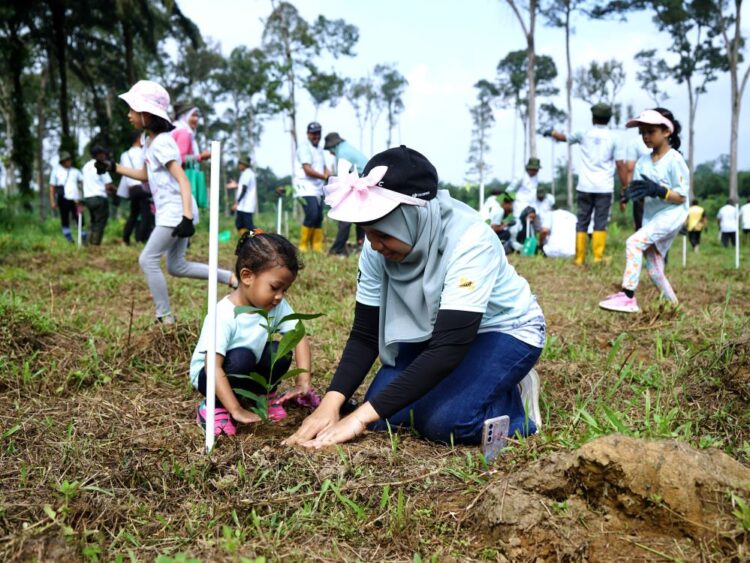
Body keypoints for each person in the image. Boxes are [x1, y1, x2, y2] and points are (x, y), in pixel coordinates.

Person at [285, 145, 545, 448]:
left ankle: (514, 404)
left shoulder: (469, 240)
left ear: (412, 216)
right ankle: (468, 382)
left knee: (445, 423)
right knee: (385, 419)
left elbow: (448, 349)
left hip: (503, 330)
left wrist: (357, 418)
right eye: (367, 232)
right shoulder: (374, 249)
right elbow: (365, 335)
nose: (375, 245)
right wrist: (330, 404)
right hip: (435, 331)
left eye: (383, 233)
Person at [96, 80, 235, 324]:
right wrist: (113, 167)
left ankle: (164, 317)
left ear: (147, 115)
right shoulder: (149, 141)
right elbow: (143, 175)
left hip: (176, 210)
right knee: (176, 266)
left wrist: (187, 217)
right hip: (172, 211)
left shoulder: (163, 142)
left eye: (133, 110)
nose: (129, 115)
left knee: (147, 259)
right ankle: (230, 278)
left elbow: (182, 179)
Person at [191, 230, 318, 436]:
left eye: (284, 290)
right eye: (275, 287)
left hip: (247, 368)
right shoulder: (223, 315)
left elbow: (298, 336)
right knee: (243, 356)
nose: (279, 297)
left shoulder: (275, 305)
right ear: (247, 276)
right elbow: (213, 367)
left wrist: (303, 382)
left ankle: (263, 395)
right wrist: (236, 410)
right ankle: (213, 407)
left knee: (280, 350)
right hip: (211, 375)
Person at [599, 108, 689, 314]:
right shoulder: (643, 162)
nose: (646, 136)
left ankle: (628, 296)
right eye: (643, 132)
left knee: (633, 242)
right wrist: (631, 195)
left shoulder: (674, 160)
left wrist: (658, 190)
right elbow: (639, 190)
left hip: (671, 214)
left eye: (651, 131)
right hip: (652, 218)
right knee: (655, 269)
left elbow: (681, 196)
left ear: (666, 132)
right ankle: (676, 309)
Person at [548, 103, 620, 265]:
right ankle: (597, 258)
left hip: (585, 186)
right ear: (608, 119)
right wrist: (625, 187)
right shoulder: (614, 138)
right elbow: (620, 164)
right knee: (600, 221)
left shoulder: (584, 133)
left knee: (582, 220)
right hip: (604, 187)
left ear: (593, 118)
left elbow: (563, 137)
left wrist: (551, 132)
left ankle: (579, 258)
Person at [324, 132, 369, 256]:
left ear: (333, 146)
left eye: (329, 150)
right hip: (364, 181)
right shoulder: (347, 147)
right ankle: (361, 245)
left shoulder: (342, 154)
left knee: (345, 216)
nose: (330, 153)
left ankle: (337, 249)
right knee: (361, 217)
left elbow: (342, 178)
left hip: (359, 180)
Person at [293, 122, 330, 252]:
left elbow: (324, 167)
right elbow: (307, 169)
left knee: (319, 217)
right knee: (312, 215)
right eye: (314, 133)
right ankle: (303, 246)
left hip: (317, 188)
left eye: (318, 133)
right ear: (308, 134)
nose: (316, 136)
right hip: (304, 187)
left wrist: (328, 173)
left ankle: (316, 246)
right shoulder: (304, 147)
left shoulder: (319, 149)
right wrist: (324, 177)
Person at [118, 132, 153, 245]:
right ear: (138, 139)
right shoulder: (143, 152)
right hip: (142, 187)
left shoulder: (124, 155)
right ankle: (141, 238)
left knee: (133, 214)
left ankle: (126, 238)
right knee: (146, 214)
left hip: (131, 188)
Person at [617, 131, 651, 230]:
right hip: (661, 188)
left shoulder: (634, 143)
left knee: (640, 225)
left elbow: (629, 169)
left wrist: (625, 194)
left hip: (640, 189)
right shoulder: (663, 142)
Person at [81, 146, 115, 246]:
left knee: (93, 222)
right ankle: (95, 244)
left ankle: (87, 242)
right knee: (100, 222)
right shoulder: (101, 165)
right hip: (99, 197)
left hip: (88, 198)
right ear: (99, 155)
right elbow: (108, 185)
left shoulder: (86, 166)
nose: (105, 156)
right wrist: (117, 190)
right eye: (103, 154)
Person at [49, 151, 84, 243]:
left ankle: (83, 236)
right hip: (63, 199)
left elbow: (83, 182)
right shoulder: (55, 171)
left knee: (79, 216)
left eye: (69, 159)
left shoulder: (75, 171)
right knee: (65, 218)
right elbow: (52, 187)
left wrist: (82, 197)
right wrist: (52, 201)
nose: (69, 161)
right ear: (62, 161)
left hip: (77, 199)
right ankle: (69, 238)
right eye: (67, 160)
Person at [233, 155, 257, 236]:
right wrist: (236, 185)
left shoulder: (247, 174)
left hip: (246, 205)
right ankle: (246, 239)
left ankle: (258, 235)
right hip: (243, 206)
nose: (239, 166)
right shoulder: (245, 173)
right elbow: (242, 187)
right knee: (239, 225)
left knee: (249, 226)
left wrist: (237, 202)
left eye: (240, 164)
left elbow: (244, 189)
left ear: (244, 165)